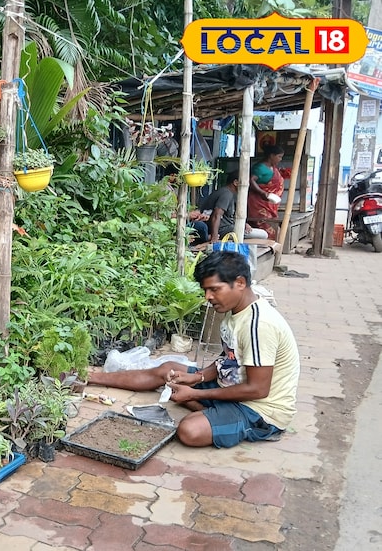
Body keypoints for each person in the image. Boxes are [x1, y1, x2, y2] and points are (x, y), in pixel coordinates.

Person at [87, 250, 300, 448]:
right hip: (232, 388)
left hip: (259, 410)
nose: (208, 296)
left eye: (214, 289)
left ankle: (212, 411)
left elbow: (258, 389)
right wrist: (197, 377)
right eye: (206, 290)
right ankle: (91, 377)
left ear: (240, 283)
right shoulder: (234, 311)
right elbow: (228, 358)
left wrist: (195, 393)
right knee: (168, 368)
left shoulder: (259, 325)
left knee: (189, 430)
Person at [199, 173, 268, 242]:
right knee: (263, 234)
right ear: (235, 182)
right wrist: (214, 236)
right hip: (223, 231)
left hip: (228, 228)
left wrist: (244, 224)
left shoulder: (227, 192)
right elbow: (217, 215)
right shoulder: (226, 194)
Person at [247, 145, 285, 240]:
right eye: (279, 156)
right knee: (263, 224)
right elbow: (251, 180)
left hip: (269, 203)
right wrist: (262, 192)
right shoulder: (260, 167)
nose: (280, 159)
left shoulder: (273, 167)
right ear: (271, 155)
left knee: (271, 224)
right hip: (258, 203)